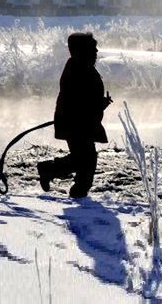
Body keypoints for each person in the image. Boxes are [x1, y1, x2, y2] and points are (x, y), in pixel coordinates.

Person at [38, 32, 113, 198]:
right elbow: (78, 99)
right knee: (85, 160)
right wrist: (98, 104)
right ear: (82, 50)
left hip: (81, 123)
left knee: (84, 160)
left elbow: (85, 98)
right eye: (93, 48)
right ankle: (76, 191)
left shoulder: (81, 67)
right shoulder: (78, 69)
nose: (96, 51)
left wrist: (100, 103)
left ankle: (56, 176)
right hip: (76, 124)